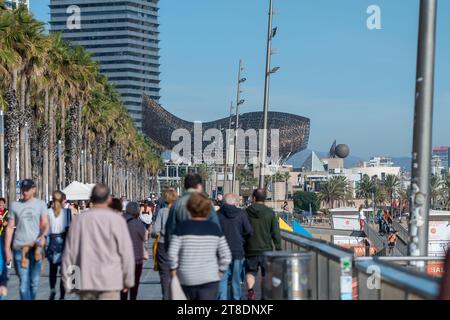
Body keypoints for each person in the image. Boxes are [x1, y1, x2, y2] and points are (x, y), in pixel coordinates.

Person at [62, 184, 135, 300]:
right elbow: (127, 254)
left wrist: (71, 283)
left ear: (91, 199)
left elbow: (70, 254)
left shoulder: (79, 221)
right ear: (109, 199)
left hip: (86, 282)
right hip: (110, 282)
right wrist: (128, 281)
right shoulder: (117, 220)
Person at [168, 192, 231, 300]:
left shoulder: (181, 228)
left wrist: (174, 270)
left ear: (189, 208)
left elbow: (172, 254)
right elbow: (226, 255)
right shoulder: (214, 228)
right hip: (210, 277)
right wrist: (220, 272)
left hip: (187, 277)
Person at [4, 179, 49, 300]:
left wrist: (43, 235)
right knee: (24, 284)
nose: (25, 192)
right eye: (23, 189)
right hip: (19, 249)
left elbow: (45, 223)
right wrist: (7, 249)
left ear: (33, 189)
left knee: (33, 283)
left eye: (27, 189)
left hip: (36, 249)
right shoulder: (15, 205)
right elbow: (9, 228)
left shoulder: (40, 204)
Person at [244, 188, 282, 300]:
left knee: (251, 272)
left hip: (250, 248)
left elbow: (242, 229)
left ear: (254, 198)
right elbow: (276, 232)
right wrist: (278, 248)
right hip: (266, 250)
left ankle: (250, 291)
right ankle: (264, 296)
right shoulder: (270, 213)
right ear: (264, 199)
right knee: (266, 275)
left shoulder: (246, 212)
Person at [165, 173, 221, 246]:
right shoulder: (206, 203)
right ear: (199, 186)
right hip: (205, 248)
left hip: (183, 250)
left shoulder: (177, 205)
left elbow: (170, 230)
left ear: (185, 186)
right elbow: (216, 227)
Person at [217, 194, 253, 300]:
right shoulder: (241, 214)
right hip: (237, 250)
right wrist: (243, 240)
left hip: (221, 252)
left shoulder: (217, 214)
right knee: (236, 279)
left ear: (223, 202)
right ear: (235, 202)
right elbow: (249, 231)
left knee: (222, 279)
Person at [151, 188, 178, 300]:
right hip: (177, 244)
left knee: (164, 273)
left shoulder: (162, 212)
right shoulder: (180, 212)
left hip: (163, 244)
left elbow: (155, 230)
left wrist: (155, 234)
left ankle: (166, 296)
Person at [47, 190, 72, 300]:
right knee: (63, 272)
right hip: (63, 242)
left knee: (52, 269)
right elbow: (69, 229)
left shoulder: (48, 212)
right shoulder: (67, 212)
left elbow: (45, 229)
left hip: (51, 241)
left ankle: (52, 289)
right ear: (63, 200)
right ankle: (62, 296)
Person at [121, 202, 147, 300]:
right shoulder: (138, 223)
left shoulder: (120, 221)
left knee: (123, 284)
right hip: (137, 258)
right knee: (135, 284)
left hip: (123, 259)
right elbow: (144, 237)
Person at [0, 198, 8, 300]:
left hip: (4, 235)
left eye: (2, 203)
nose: (0, 205)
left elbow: (8, 223)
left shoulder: (7, 211)